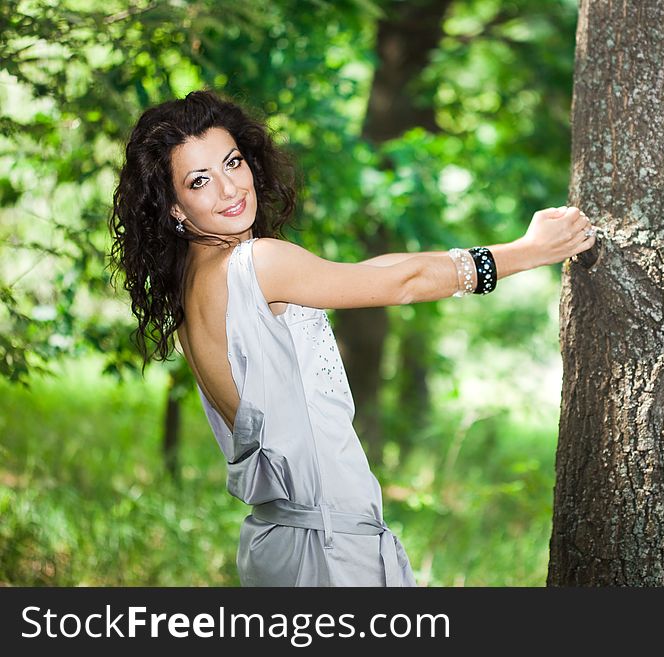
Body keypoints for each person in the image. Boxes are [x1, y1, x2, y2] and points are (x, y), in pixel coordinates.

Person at [108, 89, 597, 587]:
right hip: (330, 551)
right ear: (174, 206)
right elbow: (401, 283)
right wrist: (527, 252)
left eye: (232, 163)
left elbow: (364, 274)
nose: (230, 189)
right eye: (199, 181)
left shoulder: (194, 281)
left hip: (278, 542)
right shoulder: (257, 263)